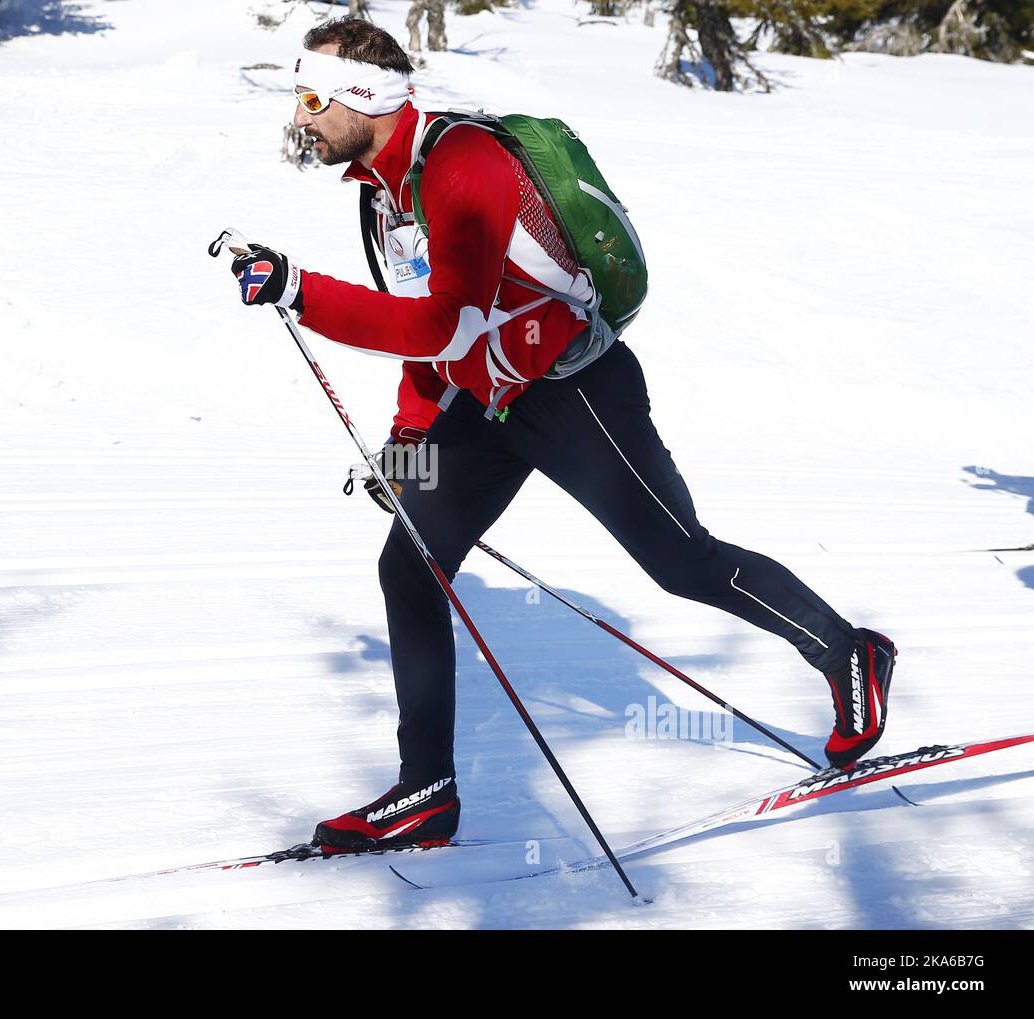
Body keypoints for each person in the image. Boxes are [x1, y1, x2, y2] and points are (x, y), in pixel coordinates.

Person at [226, 17, 897, 851]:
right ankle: (425, 790)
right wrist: (405, 451)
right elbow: (430, 340)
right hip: (491, 402)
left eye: (312, 97)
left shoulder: (464, 162)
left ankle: (847, 650)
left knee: (681, 560)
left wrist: (302, 290)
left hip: (577, 391)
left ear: (366, 97)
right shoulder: (382, 191)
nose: (301, 117)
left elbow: (447, 318)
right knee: (411, 557)